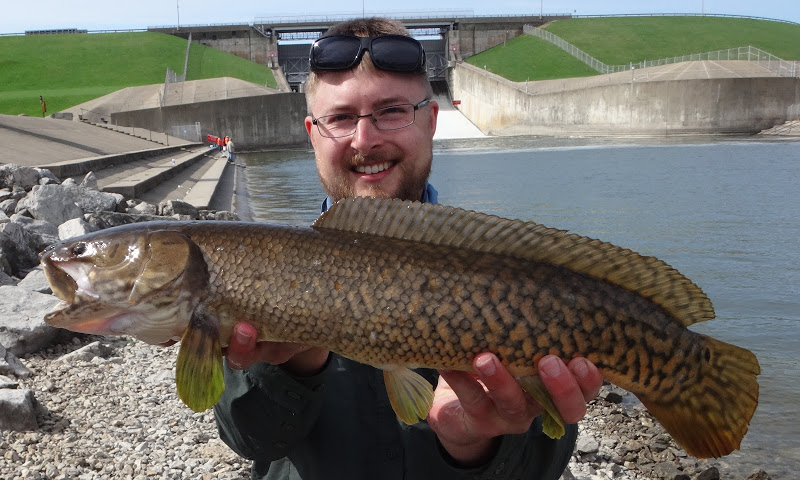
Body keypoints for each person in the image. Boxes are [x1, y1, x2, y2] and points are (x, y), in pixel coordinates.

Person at [213, 17, 603, 480]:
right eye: (339, 118)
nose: (365, 139)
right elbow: (248, 439)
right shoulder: (255, 274)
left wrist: (476, 441)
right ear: (312, 133)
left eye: (392, 111)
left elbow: (543, 464)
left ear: (431, 120)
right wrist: (294, 366)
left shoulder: (512, 276)